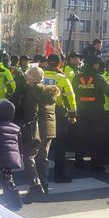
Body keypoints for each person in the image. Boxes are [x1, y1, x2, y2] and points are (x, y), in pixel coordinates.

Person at [73, 56, 109, 171]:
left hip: (81, 111)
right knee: (96, 137)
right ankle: (95, 164)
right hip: (96, 111)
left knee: (81, 136)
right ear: (95, 65)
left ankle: (78, 162)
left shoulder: (77, 77)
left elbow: (73, 92)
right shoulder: (99, 78)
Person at [21, 67, 59, 203]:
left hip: (38, 128)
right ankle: (44, 186)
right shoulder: (48, 91)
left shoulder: (34, 92)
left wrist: (24, 125)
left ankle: (36, 187)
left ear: (32, 78)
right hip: (50, 128)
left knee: (28, 157)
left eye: (27, 77)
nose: (26, 80)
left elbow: (31, 113)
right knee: (43, 158)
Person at [43, 54, 76, 182]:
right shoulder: (62, 78)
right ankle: (59, 175)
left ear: (47, 63)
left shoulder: (41, 76)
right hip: (58, 112)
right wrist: (73, 115)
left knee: (41, 145)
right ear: (60, 64)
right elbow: (71, 97)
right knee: (60, 145)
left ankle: (38, 176)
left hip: (41, 111)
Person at [0, 99, 23, 211]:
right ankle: (7, 194)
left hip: (2, 155)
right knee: (8, 175)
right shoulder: (16, 127)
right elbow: (20, 144)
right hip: (14, 155)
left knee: (7, 178)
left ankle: (15, 199)